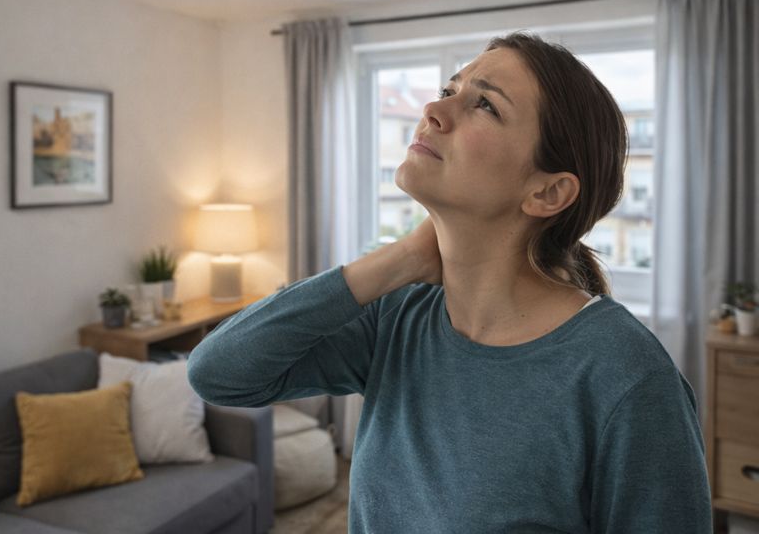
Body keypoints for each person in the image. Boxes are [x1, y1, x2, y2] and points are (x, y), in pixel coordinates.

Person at [187, 30, 713, 533]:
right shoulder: (398, 315)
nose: (433, 111)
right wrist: (398, 261)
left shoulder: (627, 377)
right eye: (448, 90)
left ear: (548, 193)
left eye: (485, 104)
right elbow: (219, 372)